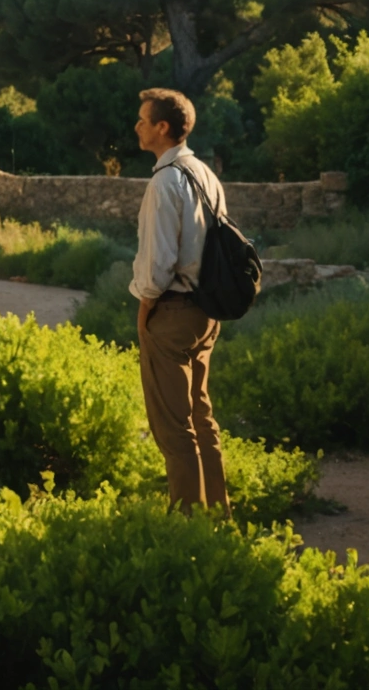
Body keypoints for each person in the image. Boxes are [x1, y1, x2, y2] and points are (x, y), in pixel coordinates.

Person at [130, 87, 229, 512]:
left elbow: (157, 267)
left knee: (173, 427)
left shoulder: (164, 182)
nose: (136, 126)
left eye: (142, 119)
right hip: (207, 311)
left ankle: (188, 526)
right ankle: (219, 515)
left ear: (162, 127)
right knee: (201, 419)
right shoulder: (205, 174)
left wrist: (144, 311)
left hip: (172, 313)